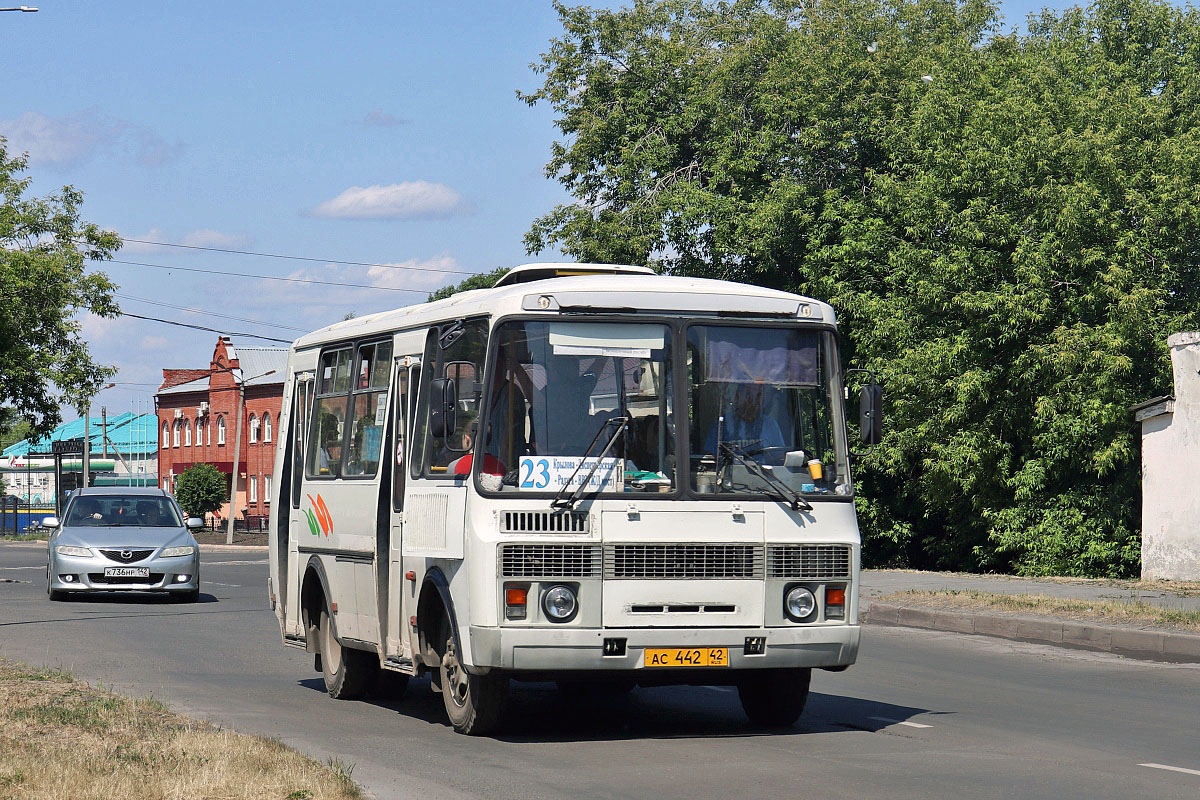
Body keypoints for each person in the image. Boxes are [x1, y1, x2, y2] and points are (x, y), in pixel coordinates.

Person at [702, 383, 786, 457]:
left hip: (764, 474)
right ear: (738, 396)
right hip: (730, 474)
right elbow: (710, 461)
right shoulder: (722, 425)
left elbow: (780, 458)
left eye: (758, 395)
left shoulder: (770, 425)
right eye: (748, 394)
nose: (752, 400)